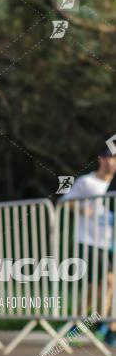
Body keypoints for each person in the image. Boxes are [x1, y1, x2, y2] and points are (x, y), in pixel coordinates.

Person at [63, 147, 116, 345]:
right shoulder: (87, 182)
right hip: (90, 241)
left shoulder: (112, 184)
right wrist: (83, 209)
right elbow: (67, 202)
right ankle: (97, 324)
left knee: (102, 286)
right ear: (101, 160)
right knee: (103, 285)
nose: (112, 163)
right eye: (109, 159)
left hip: (110, 242)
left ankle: (95, 325)